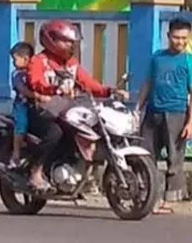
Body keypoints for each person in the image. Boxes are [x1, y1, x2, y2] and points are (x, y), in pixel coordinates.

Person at [26, 20, 128, 191]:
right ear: (51, 40)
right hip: (41, 111)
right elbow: (35, 82)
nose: (70, 45)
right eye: (66, 41)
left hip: (65, 110)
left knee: (83, 131)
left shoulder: (72, 63)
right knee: (55, 133)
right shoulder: (39, 61)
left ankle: (74, 169)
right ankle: (35, 171)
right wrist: (53, 88)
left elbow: (87, 82)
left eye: (72, 42)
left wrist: (109, 91)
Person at [135, 17, 192, 215]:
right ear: (168, 36)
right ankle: (147, 197)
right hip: (153, 113)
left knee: (174, 159)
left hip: (177, 114)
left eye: (183, 38)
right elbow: (148, 83)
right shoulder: (157, 57)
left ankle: (168, 200)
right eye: (175, 37)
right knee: (146, 156)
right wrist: (138, 108)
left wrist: (191, 122)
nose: (179, 42)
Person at [8, 42, 51, 169]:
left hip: (35, 106)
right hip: (22, 106)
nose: (13, 63)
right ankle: (16, 154)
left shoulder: (34, 71)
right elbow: (23, 90)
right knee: (21, 124)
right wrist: (38, 96)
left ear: (26, 59)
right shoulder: (17, 74)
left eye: (15, 59)